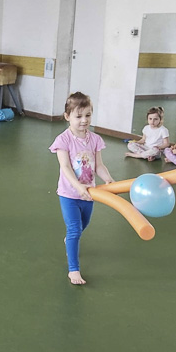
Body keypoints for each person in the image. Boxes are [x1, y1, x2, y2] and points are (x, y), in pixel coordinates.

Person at [49, 92, 114, 285]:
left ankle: (70, 239)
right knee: (75, 230)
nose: (84, 120)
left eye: (88, 115)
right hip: (69, 194)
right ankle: (73, 270)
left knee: (83, 225)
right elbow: (65, 167)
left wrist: (108, 179)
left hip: (89, 194)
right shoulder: (63, 140)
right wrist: (77, 186)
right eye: (78, 116)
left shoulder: (95, 139)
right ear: (67, 116)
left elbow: (98, 165)